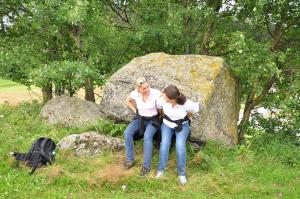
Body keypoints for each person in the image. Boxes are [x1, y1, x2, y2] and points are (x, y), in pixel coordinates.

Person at [155, 85, 199, 185]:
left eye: (166, 97)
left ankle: (182, 174)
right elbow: (159, 107)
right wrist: (162, 114)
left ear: (173, 99)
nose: (164, 98)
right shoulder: (162, 100)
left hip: (182, 126)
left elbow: (196, 108)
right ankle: (161, 170)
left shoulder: (186, 103)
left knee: (180, 146)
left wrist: (189, 115)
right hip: (167, 124)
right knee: (164, 145)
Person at [123, 77, 161, 176]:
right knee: (127, 133)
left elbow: (165, 100)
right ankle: (130, 160)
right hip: (140, 119)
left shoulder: (156, 93)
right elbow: (128, 100)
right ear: (138, 89)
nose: (147, 89)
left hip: (153, 120)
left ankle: (146, 166)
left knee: (147, 137)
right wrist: (136, 111)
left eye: (147, 87)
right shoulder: (135, 94)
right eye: (144, 88)